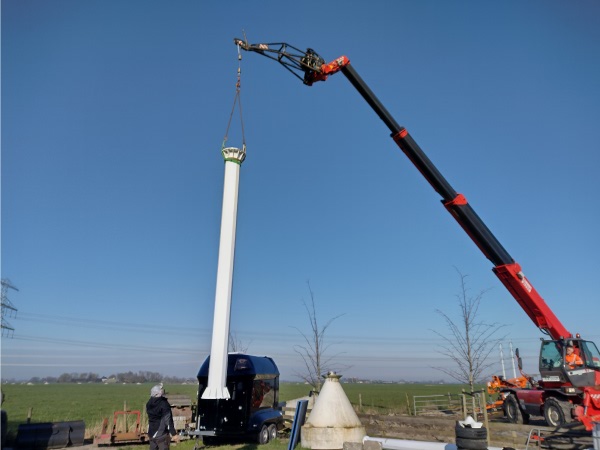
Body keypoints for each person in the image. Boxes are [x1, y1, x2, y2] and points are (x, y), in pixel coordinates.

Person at [146, 384, 179, 450]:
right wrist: (174, 434)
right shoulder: (164, 404)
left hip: (151, 433)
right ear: (159, 393)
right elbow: (168, 420)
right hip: (161, 435)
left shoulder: (149, 403)